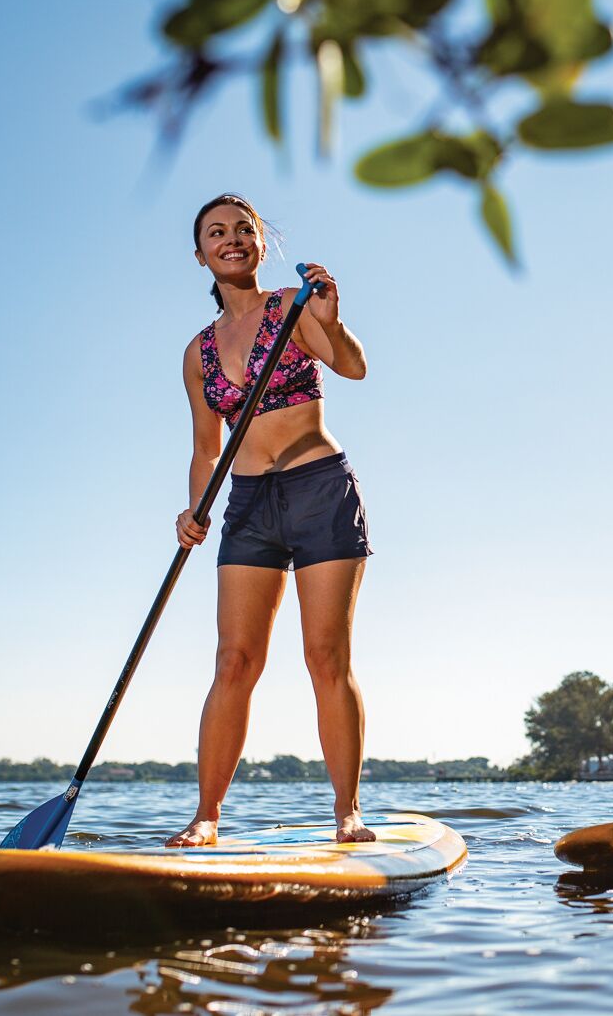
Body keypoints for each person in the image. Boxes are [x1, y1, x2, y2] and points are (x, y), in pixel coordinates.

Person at [167, 193, 374, 846]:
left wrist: (331, 319)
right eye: (216, 233)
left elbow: (353, 366)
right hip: (250, 502)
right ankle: (206, 817)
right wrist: (193, 510)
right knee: (234, 659)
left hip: (318, 485)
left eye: (243, 230)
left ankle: (348, 812)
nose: (231, 240)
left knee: (325, 655)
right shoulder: (197, 352)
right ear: (200, 253)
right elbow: (207, 450)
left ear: (262, 242)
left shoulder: (291, 307)